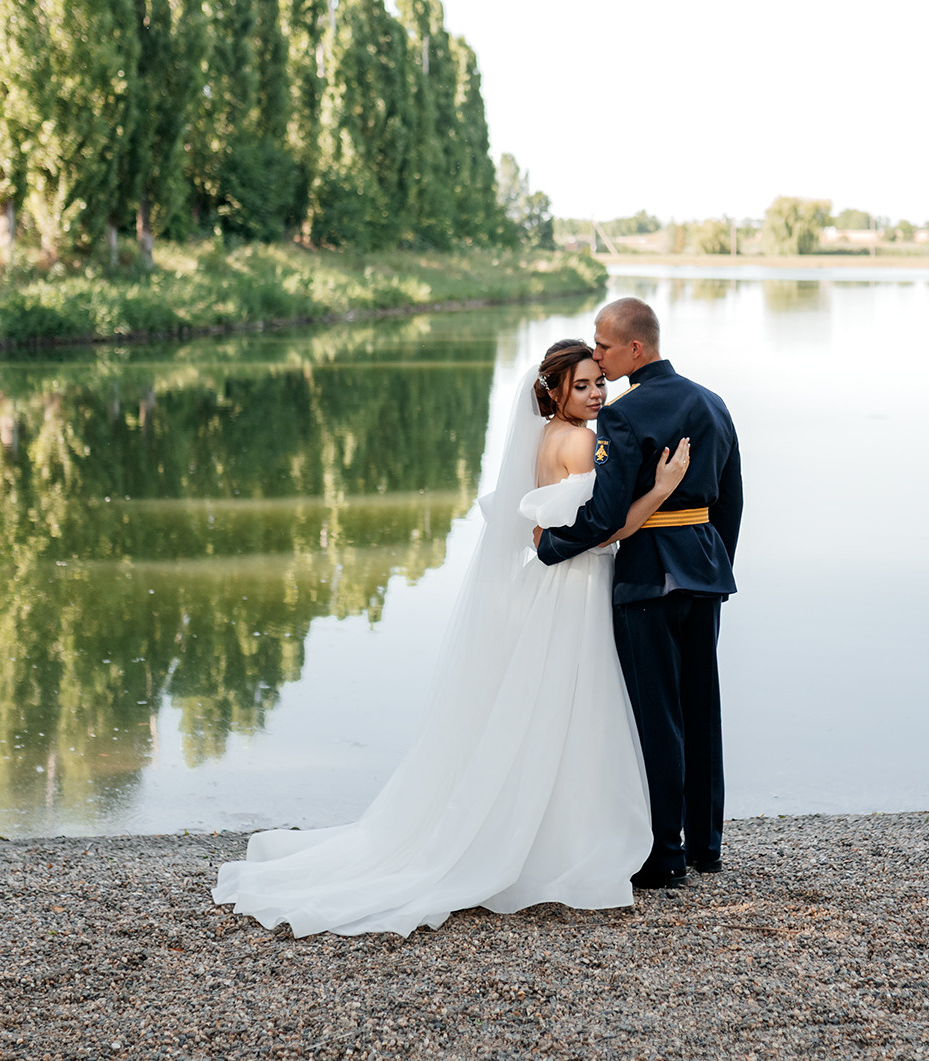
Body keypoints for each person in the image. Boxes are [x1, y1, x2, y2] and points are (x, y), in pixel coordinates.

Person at [211, 339, 692, 936]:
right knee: (576, 710)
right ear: (556, 393)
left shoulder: (548, 440)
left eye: (599, 383)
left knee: (548, 713)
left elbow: (546, 530)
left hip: (553, 588)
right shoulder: (576, 443)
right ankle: (569, 842)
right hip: (577, 588)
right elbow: (601, 530)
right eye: (584, 386)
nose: (598, 395)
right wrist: (663, 488)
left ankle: (554, 831)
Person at [536, 297, 743, 890]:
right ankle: (707, 845)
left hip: (647, 574)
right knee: (702, 709)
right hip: (703, 571)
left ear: (635, 348)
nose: (595, 355)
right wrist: (716, 563)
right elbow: (731, 501)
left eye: (602, 346)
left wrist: (549, 546)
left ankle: (665, 853)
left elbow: (605, 517)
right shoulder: (713, 403)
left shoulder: (624, 417)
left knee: (658, 717)